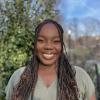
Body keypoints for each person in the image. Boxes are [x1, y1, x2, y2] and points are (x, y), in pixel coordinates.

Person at [5, 19, 96, 100]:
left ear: (62, 45)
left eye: (56, 41)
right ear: (35, 44)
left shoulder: (80, 77)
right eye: (41, 40)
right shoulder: (18, 76)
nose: (48, 46)